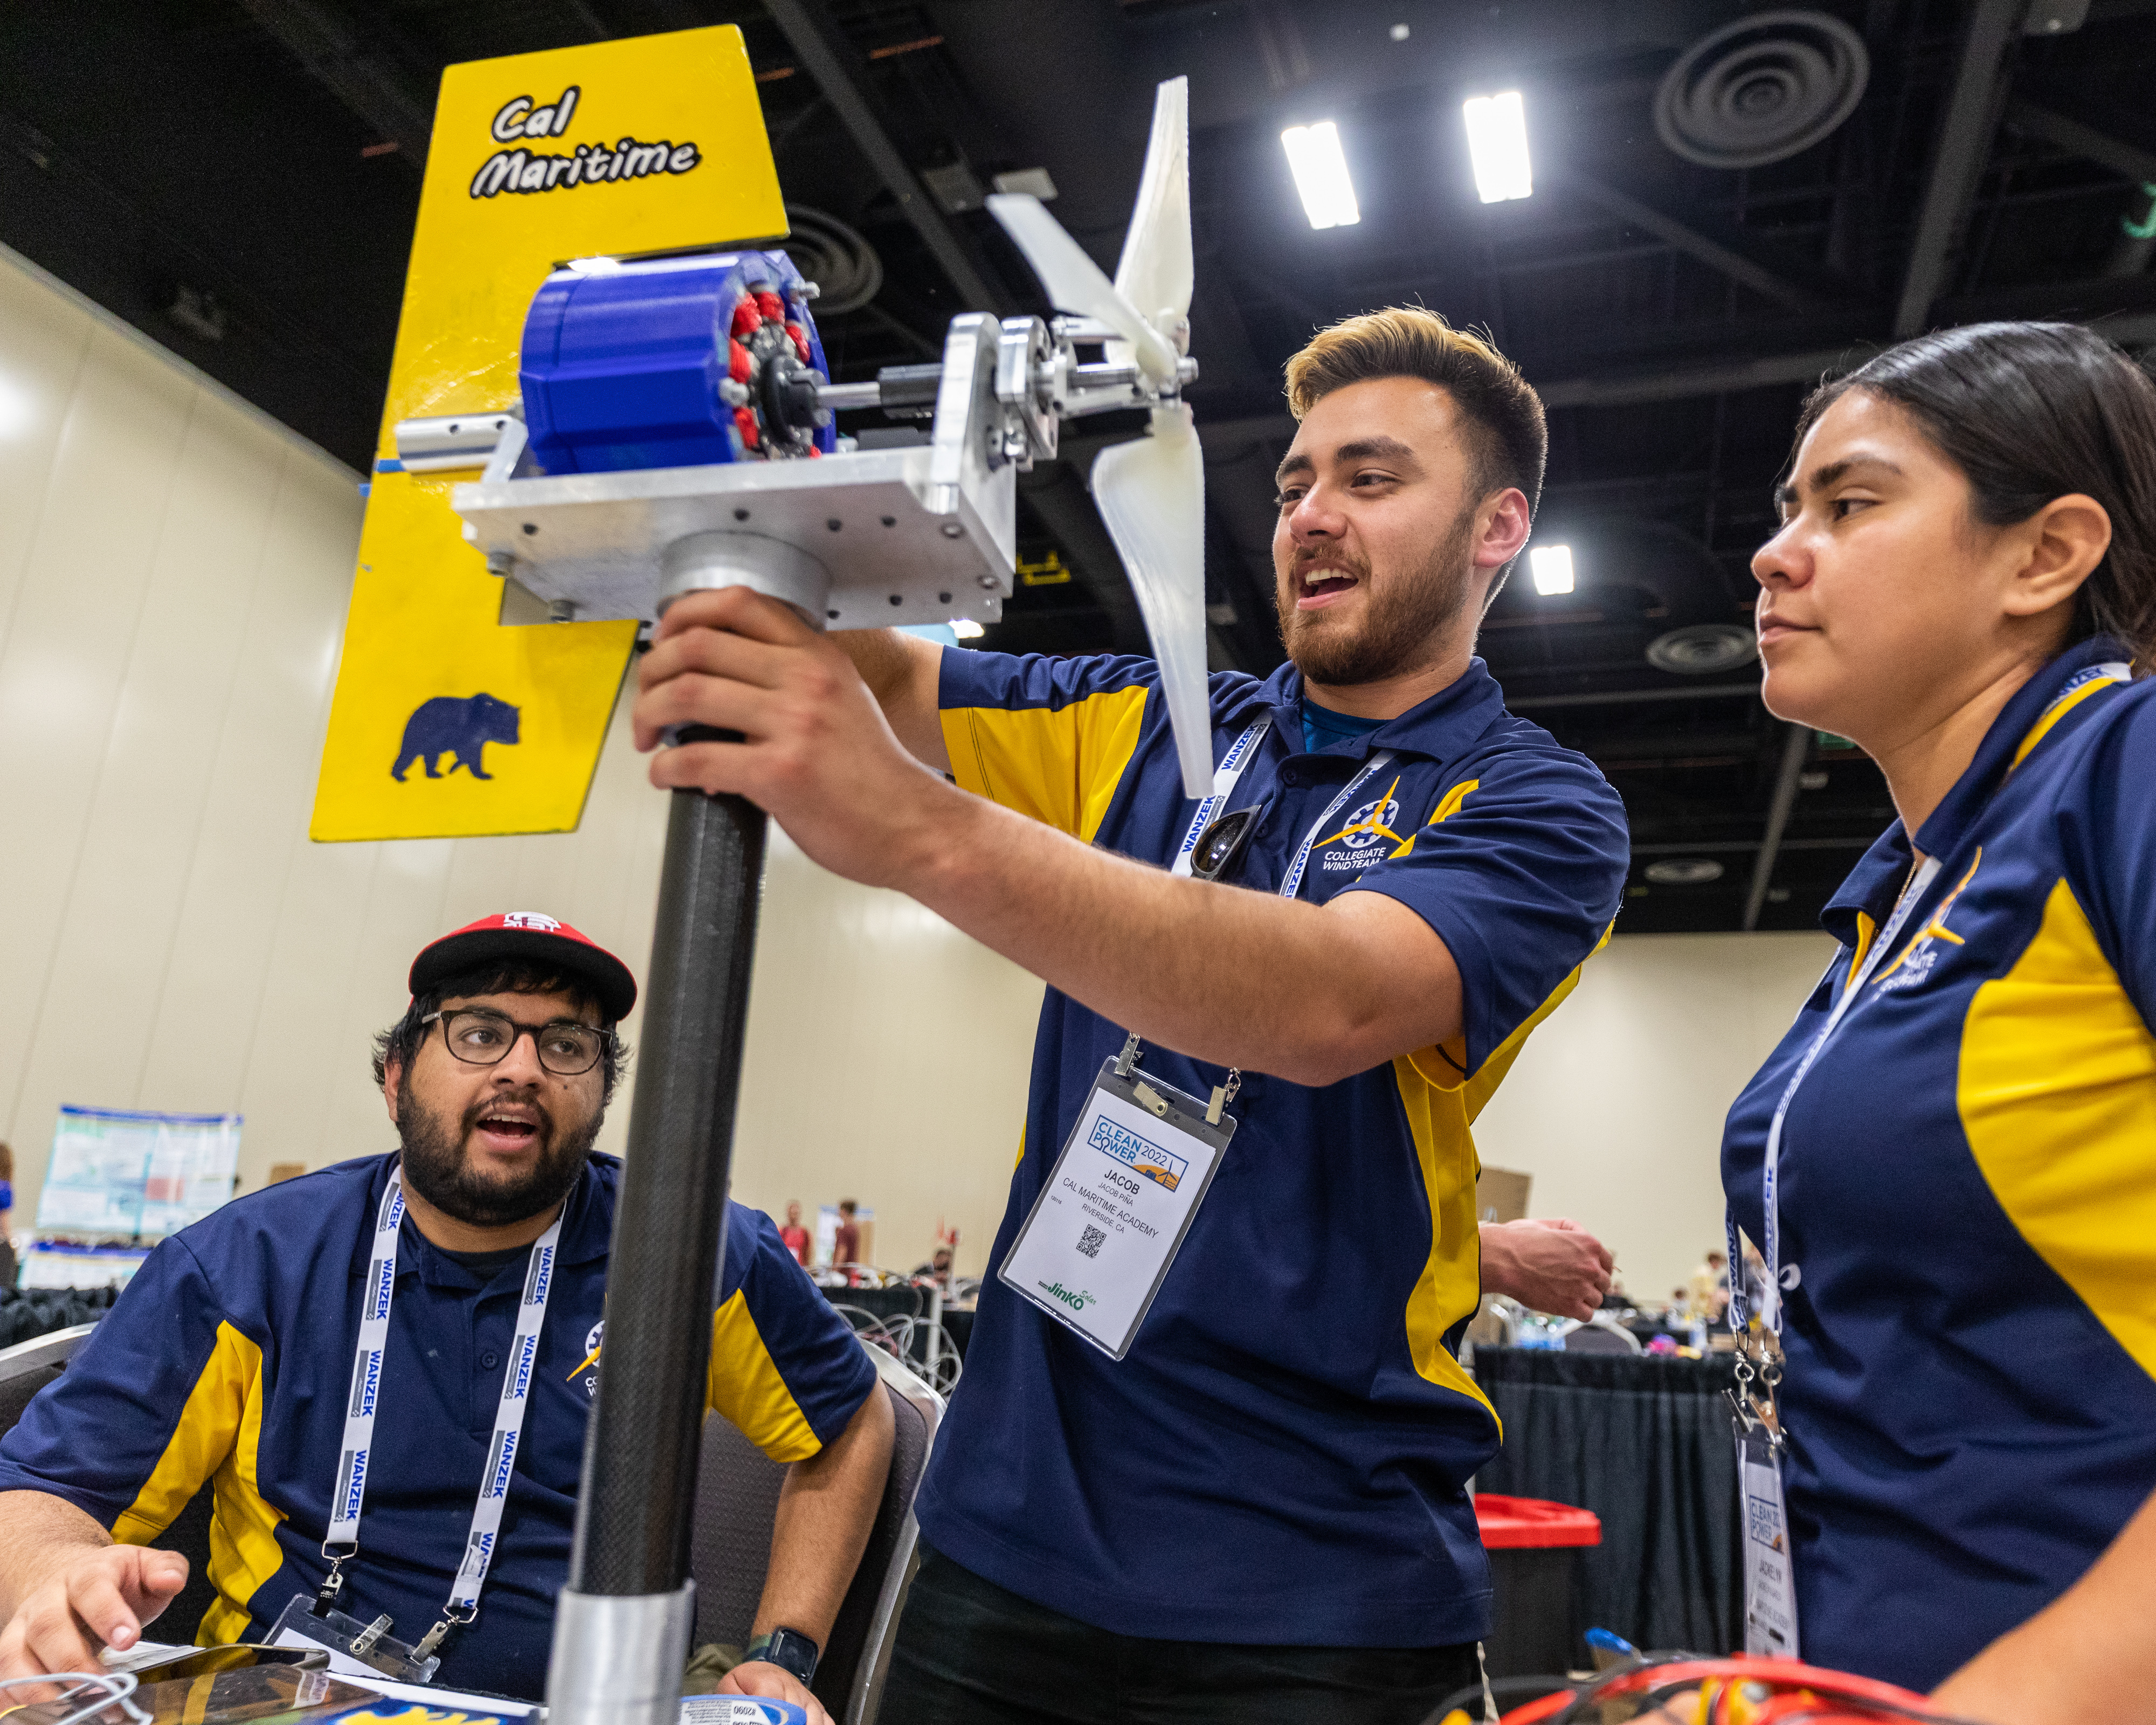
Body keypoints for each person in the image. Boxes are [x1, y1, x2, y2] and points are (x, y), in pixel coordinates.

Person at [631, 306, 1628, 1722]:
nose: (1313, 517)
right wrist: (760, 477)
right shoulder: (1156, 723)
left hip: (1313, 1588)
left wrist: (921, 834)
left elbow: (1331, 999)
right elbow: (888, 673)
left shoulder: (1538, 803)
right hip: (1006, 1544)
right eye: (1293, 485)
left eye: (1372, 479)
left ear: (1497, 528)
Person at [0, 913, 893, 1717]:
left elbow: (851, 1419)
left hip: (603, 1703)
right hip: (294, 1699)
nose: (522, 1068)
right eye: (479, 1033)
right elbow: (43, 1496)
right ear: (396, 1078)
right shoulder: (246, 1261)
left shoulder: (698, 1254)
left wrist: (785, 1649)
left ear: (601, 1093)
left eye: (568, 1045)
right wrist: (57, 1570)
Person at [1719, 320, 2156, 1720]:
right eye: (1790, 509)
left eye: (1849, 504)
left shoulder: (2128, 773)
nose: (1777, 552)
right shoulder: (1895, 901)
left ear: (2047, 554)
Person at [779, 1198, 812, 1267]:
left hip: (800, 1268)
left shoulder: (805, 1233)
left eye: (796, 1213)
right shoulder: (782, 1232)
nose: (794, 1216)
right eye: (792, 1213)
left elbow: (808, 1255)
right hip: (785, 1268)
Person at [831, 1199, 860, 1267]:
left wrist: (835, 1269)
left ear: (844, 1211)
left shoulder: (844, 1231)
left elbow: (842, 1251)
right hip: (851, 1270)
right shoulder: (855, 1229)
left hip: (843, 1273)